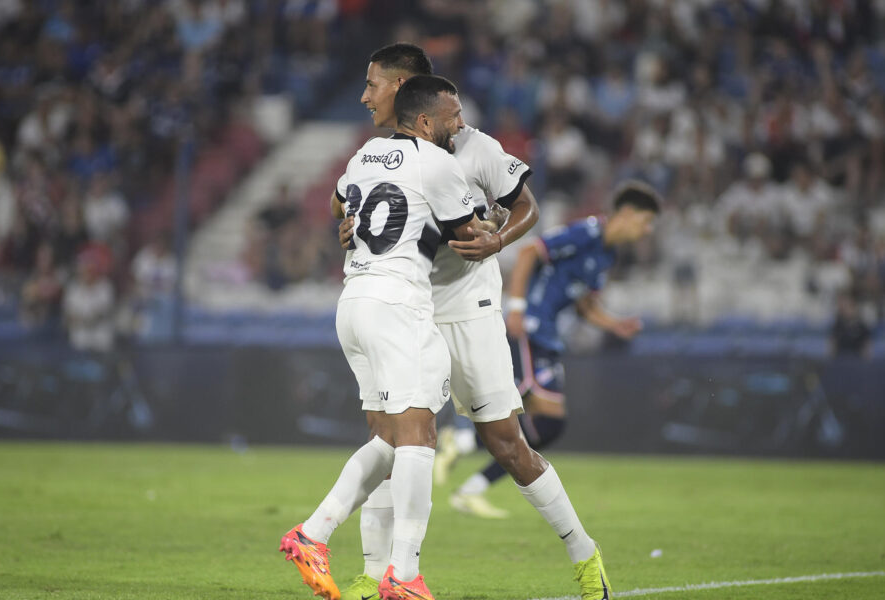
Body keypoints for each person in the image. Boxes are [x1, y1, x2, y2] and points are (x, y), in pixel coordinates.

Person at [337, 43, 612, 600]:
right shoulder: (375, 152)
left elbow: (527, 208)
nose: (365, 95)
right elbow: (352, 208)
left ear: (403, 88)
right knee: (389, 440)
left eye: (373, 84)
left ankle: (586, 556)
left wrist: (497, 240)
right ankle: (376, 577)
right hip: (405, 308)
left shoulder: (474, 146)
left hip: (468, 311)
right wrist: (343, 226)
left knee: (506, 443)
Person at [280, 74, 489, 600]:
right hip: (399, 304)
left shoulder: (364, 154)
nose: (458, 126)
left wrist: (350, 220)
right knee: (419, 437)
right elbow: (469, 239)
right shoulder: (437, 162)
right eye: (451, 118)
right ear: (424, 121)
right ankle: (403, 575)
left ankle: (313, 533)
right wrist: (495, 226)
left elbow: (338, 207)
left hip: (353, 303)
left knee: (391, 438)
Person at [448, 181, 661, 528]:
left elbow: (584, 304)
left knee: (547, 424)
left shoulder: (606, 255)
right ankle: (461, 448)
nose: (646, 230)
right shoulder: (588, 232)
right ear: (627, 214)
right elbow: (532, 250)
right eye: (646, 220)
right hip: (530, 327)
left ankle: (469, 474)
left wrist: (614, 324)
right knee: (516, 409)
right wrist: (516, 307)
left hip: (548, 337)